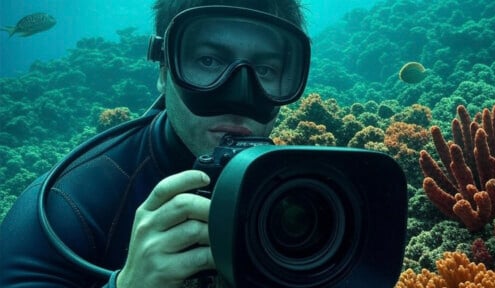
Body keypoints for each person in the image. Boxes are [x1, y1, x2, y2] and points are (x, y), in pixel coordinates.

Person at [0, 0, 310, 287]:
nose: (240, 96)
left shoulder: (325, 199)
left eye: (266, 70)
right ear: (163, 70)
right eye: (208, 61)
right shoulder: (64, 214)